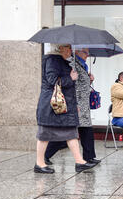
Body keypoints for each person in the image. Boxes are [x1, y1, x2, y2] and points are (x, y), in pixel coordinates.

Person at [35, 44, 97, 174]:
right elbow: (52, 81)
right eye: (68, 47)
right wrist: (71, 78)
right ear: (60, 48)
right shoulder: (52, 60)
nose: (71, 50)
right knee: (45, 134)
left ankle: (80, 162)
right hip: (52, 105)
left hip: (64, 104)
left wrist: (75, 105)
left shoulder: (63, 61)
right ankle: (39, 164)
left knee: (71, 133)